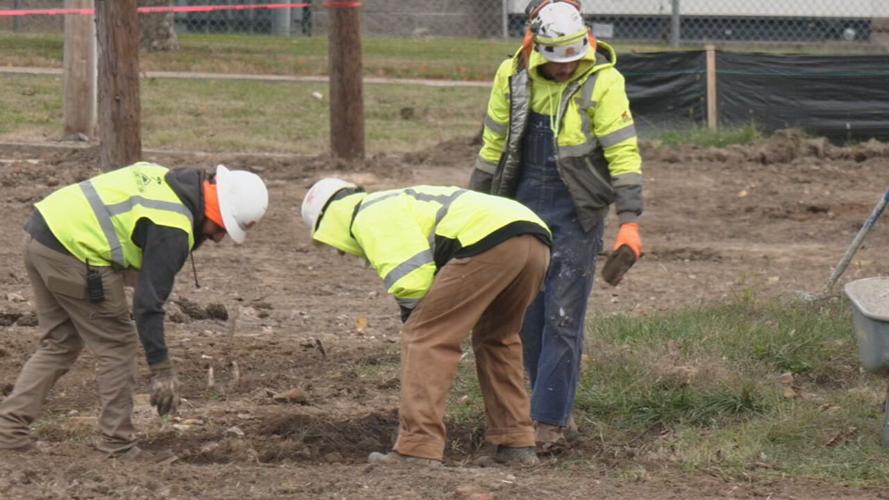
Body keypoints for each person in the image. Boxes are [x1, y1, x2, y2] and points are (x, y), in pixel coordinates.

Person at [0, 162, 269, 458]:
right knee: (116, 344)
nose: (218, 238)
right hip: (74, 251)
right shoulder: (172, 228)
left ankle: (9, 430)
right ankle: (117, 444)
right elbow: (147, 305)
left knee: (60, 343)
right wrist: (161, 369)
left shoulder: (170, 181)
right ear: (215, 210)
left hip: (41, 234)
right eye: (221, 227)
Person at [468, 0, 644, 452]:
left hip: (576, 209)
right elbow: (493, 144)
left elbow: (622, 152)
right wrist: (473, 207)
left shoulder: (604, 81)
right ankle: (543, 405)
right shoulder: (512, 76)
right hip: (519, 204)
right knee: (525, 314)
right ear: (535, 47)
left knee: (562, 316)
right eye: (556, 60)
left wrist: (629, 222)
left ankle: (550, 422)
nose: (565, 68)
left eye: (572, 58)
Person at [301, 179, 552, 466]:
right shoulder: (395, 200)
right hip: (533, 239)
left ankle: (417, 446)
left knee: (425, 337)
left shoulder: (369, 214)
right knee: (497, 339)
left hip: (488, 240)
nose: (339, 251)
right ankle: (516, 442)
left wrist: (416, 321)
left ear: (328, 221)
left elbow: (412, 281)